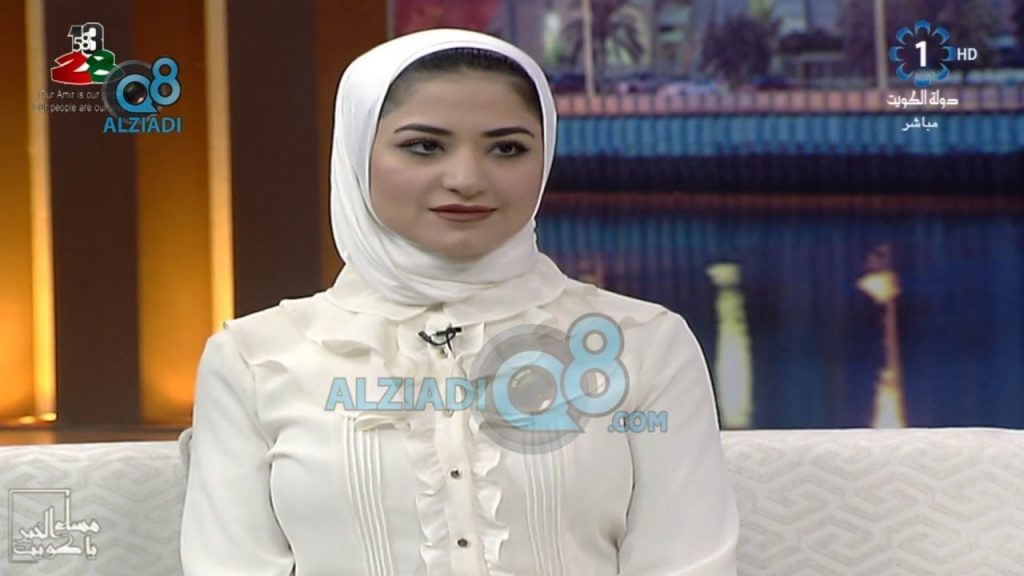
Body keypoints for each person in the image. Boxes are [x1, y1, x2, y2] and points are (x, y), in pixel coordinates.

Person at [180, 27, 739, 576]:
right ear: (356, 152)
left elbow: (687, 563)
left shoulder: (643, 344)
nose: (467, 178)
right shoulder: (254, 359)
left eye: (507, 148)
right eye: (424, 146)